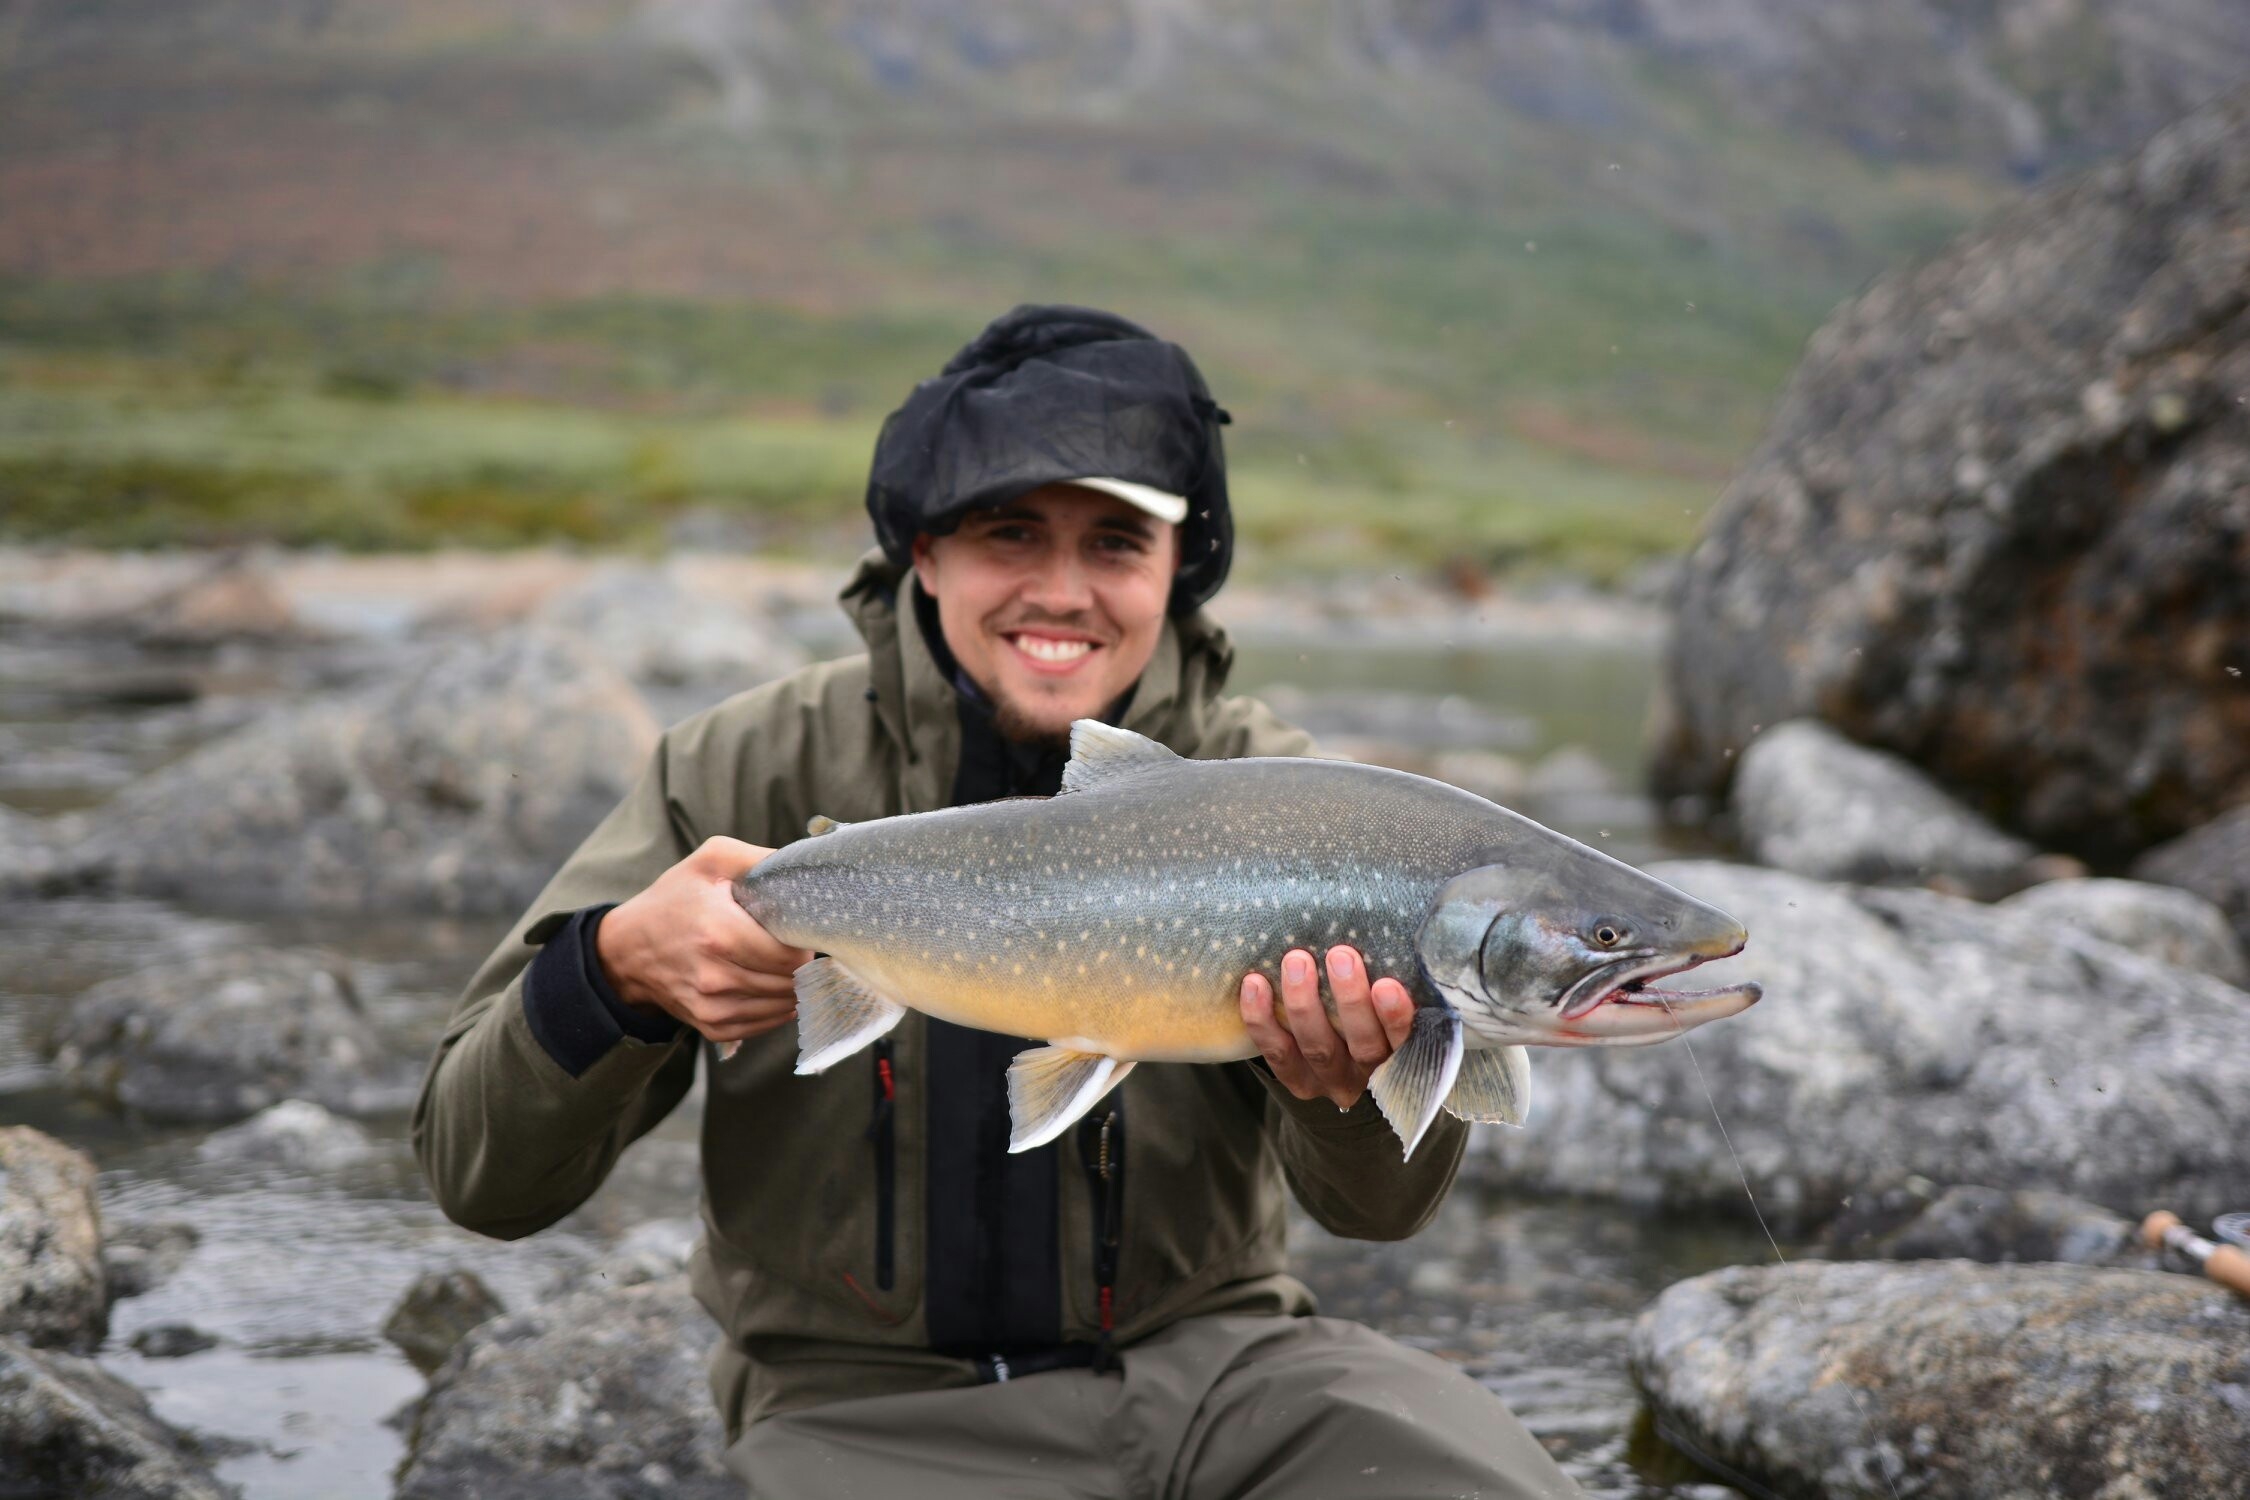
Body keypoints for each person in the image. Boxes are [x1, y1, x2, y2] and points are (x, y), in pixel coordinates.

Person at [413, 304, 1581, 1498]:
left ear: (1181, 568)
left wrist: (1346, 1093)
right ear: (924, 551)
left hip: (1224, 1382)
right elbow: (477, 1179)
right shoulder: (741, 773)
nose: (1062, 592)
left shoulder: (1280, 794)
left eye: (1117, 544)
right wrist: (611, 975)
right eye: (1010, 535)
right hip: (867, 1415)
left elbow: (1374, 1219)